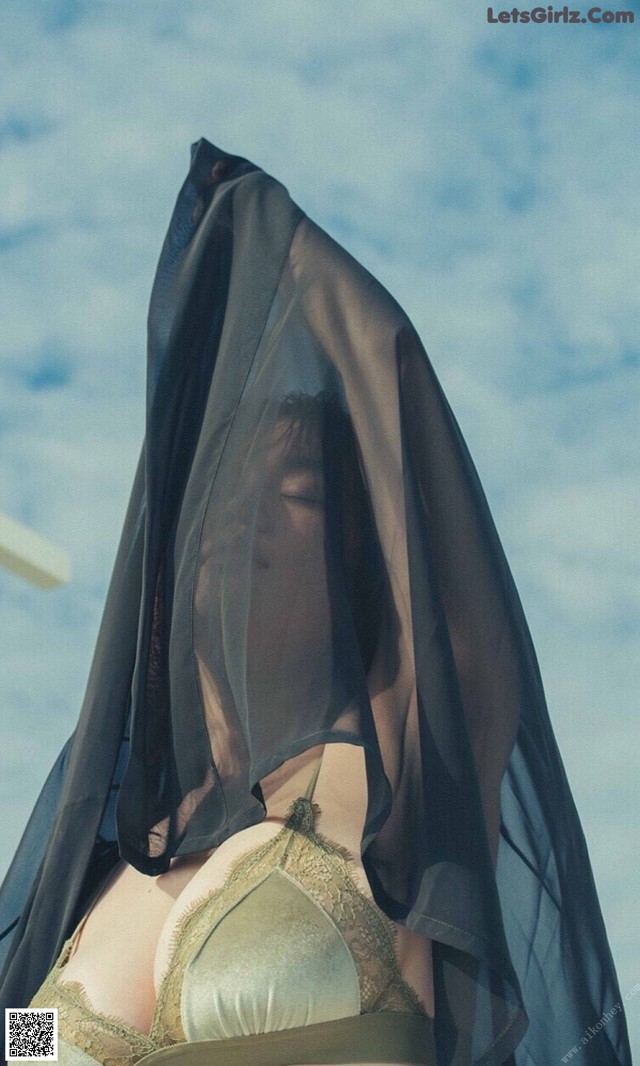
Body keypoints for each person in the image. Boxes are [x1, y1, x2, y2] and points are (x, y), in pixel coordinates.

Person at [0, 140, 632, 1066]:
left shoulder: (392, 780)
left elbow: (414, 455)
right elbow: (20, 1047)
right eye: (224, 496)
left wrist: (267, 264)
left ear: (362, 550)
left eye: (288, 492)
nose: (239, 522)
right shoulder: (93, 869)